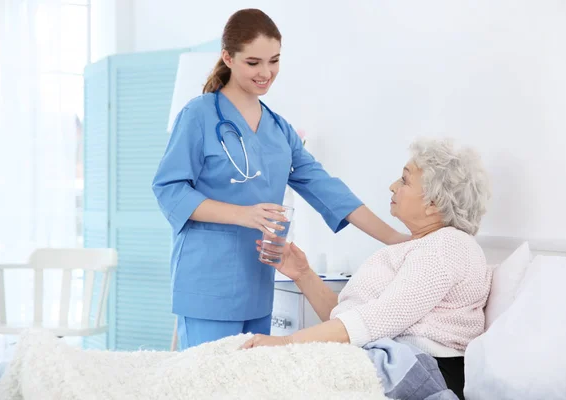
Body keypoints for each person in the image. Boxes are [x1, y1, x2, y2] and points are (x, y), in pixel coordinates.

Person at [152, 8, 408, 350]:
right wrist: (243, 214)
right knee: (208, 384)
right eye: (253, 62)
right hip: (207, 283)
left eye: (274, 60)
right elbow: (169, 189)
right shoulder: (198, 115)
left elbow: (327, 188)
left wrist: (397, 239)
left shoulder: (279, 130)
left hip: (257, 282)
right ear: (227, 57)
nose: (266, 73)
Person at [242, 138, 493, 400]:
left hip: (423, 369)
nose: (393, 186)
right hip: (390, 357)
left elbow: (377, 319)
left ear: (434, 202)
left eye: (405, 181)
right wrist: (303, 274)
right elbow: (353, 320)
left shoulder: (448, 245)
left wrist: (287, 344)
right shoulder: (419, 247)